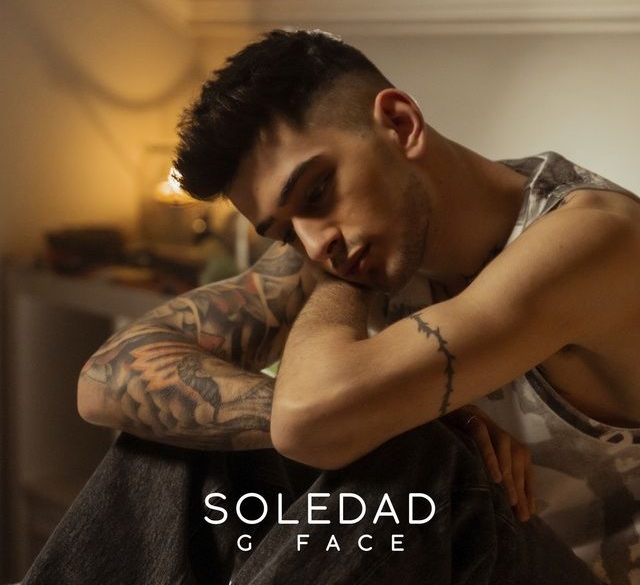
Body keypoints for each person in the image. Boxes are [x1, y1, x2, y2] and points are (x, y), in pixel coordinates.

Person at [25, 29, 639, 585]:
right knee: (180, 426)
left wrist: (380, 413)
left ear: (400, 123)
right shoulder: (345, 245)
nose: (316, 245)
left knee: (407, 451)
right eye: (285, 233)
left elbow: (312, 419)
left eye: (317, 191)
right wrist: (389, 396)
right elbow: (104, 380)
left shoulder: (593, 239)